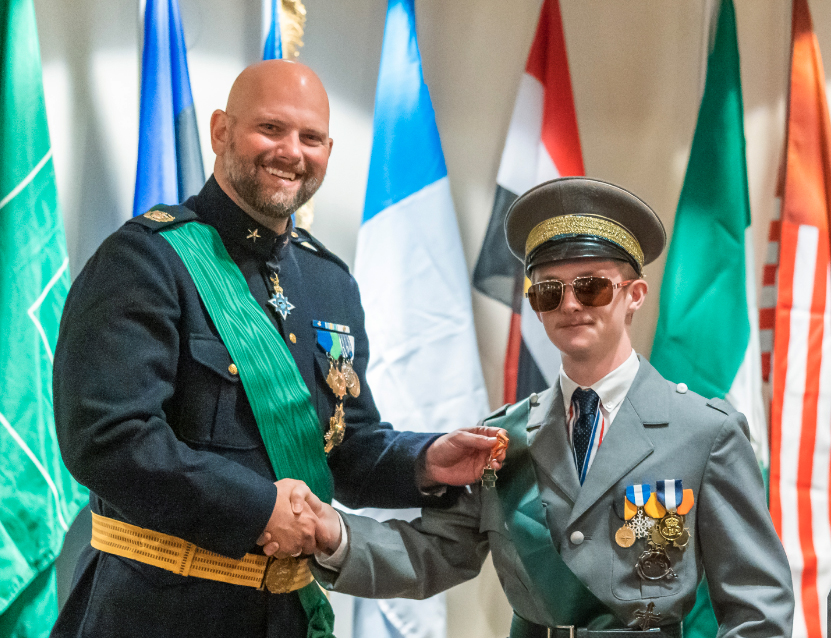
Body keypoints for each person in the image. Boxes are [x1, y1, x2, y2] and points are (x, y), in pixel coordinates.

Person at [50, 60, 504, 638]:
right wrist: (256, 508)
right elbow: (108, 439)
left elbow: (343, 447)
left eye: (310, 137)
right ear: (221, 132)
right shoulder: (146, 261)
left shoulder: (328, 281)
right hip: (157, 610)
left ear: (328, 150)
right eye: (271, 129)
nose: (292, 151)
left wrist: (425, 460)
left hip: (287, 616)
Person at [311, 177, 795, 638]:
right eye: (549, 291)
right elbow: (433, 553)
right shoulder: (504, 437)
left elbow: (757, 603)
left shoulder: (703, 433)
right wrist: (331, 533)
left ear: (635, 296)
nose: (570, 305)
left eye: (592, 287)